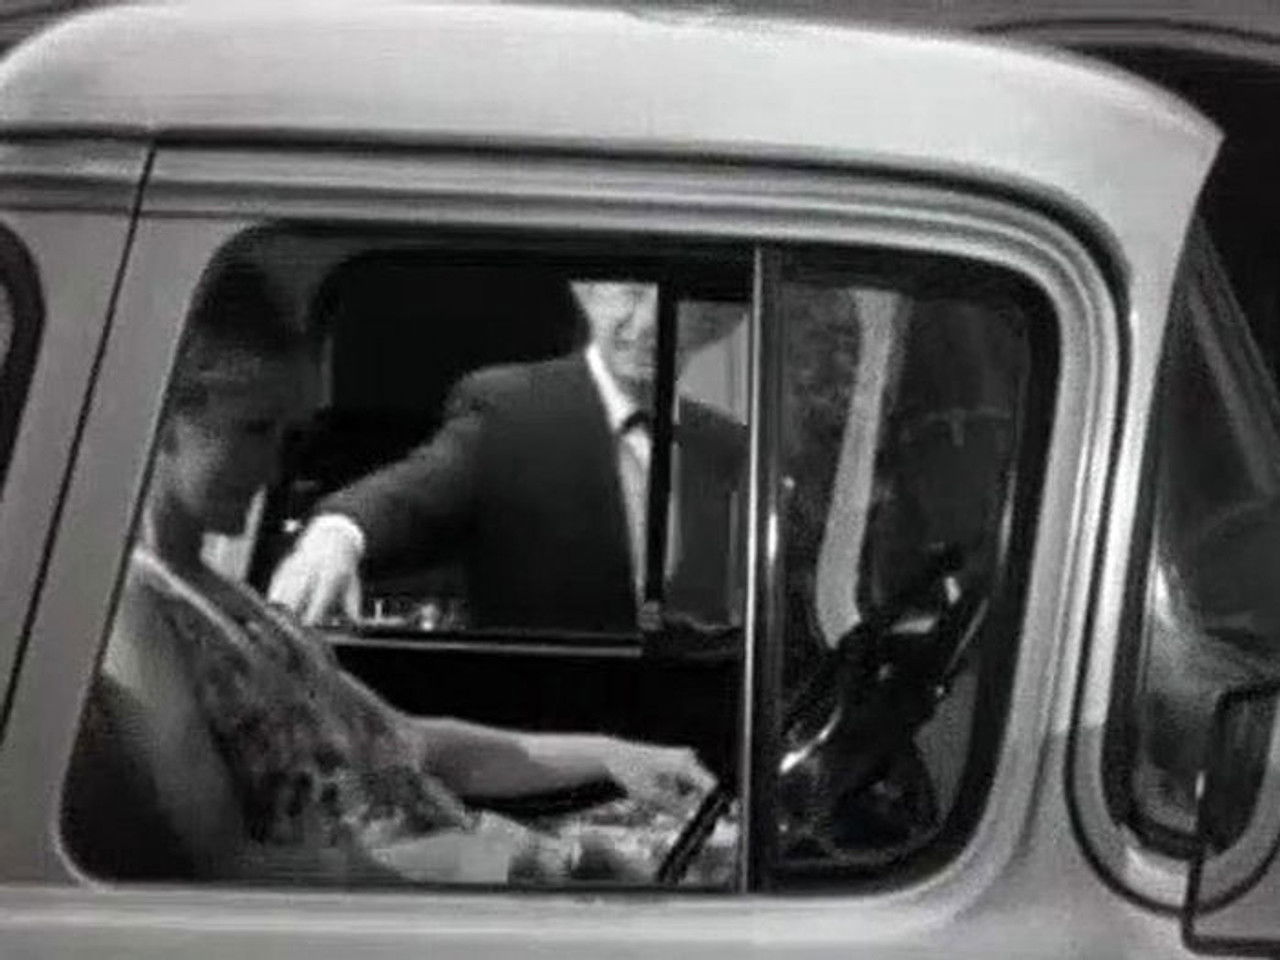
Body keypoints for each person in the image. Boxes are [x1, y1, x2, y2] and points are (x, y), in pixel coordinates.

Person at [71, 261, 732, 886]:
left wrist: (615, 755)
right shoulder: (127, 604)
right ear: (161, 419)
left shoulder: (227, 596)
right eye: (254, 430)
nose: (275, 469)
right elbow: (227, 866)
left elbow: (410, 743)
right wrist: (477, 862)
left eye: (286, 436)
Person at [268, 280, 746, 631]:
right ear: (585, 291)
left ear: (719, 322)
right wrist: (338, 534)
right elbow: (416, 490)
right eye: (629, 293)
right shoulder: (511, 409)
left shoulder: (729, 448)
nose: (647, 324)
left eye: (675, 301)